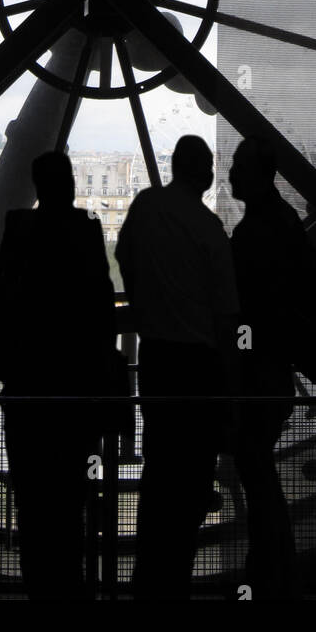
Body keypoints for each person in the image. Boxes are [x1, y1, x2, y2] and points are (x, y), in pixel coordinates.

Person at [0, 151, 117, 600]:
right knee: (70, 504)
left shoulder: (20, 231)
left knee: (34, 506)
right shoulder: (85, 232)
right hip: (74, 393)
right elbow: (101, 312)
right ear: (69, 182)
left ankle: (42, 589)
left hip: (29, 390)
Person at [115, 135, 240, 600]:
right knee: (190, 479)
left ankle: (150, 579)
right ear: (206, 173)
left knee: (161, 471)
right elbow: (227, 316)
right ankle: (172, 580)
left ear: (174, 166)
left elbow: (126, 258)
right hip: (198, 364)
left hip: (159, 358)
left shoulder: (147, 207)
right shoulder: (210, 230)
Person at [228, 137, 316, 598]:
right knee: (259, 475)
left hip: (260, 374)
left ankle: (271, 566)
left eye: (235, 167)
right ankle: (274, 570)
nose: (231, 175)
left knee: (256, 474)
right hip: (273, 372)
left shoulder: (257, 231)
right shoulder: (280, 223)